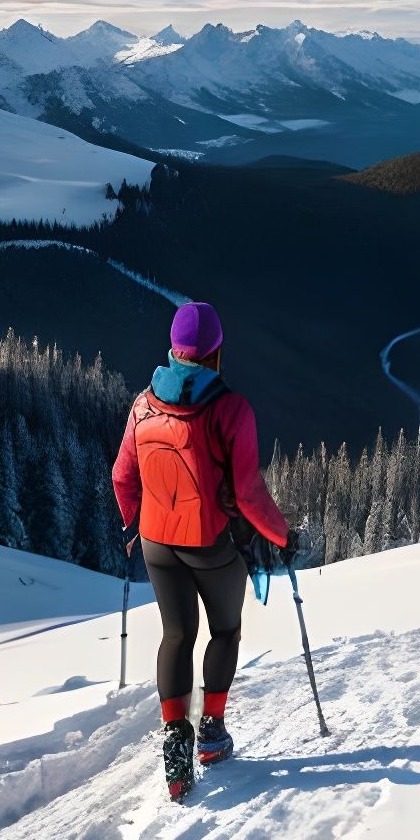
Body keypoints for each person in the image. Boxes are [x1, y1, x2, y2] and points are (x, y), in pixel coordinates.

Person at [111, 301, 294, 803]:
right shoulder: (231, 410)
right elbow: (250, 493)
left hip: (156, 542)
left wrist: (133, 523)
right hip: (210, 543)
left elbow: (122, 476)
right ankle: (211, 732)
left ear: (173, 350)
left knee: (176, 633)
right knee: (226, 630)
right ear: (216, 353)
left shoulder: (143, 405)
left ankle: (175, 741)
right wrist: (282, 536)